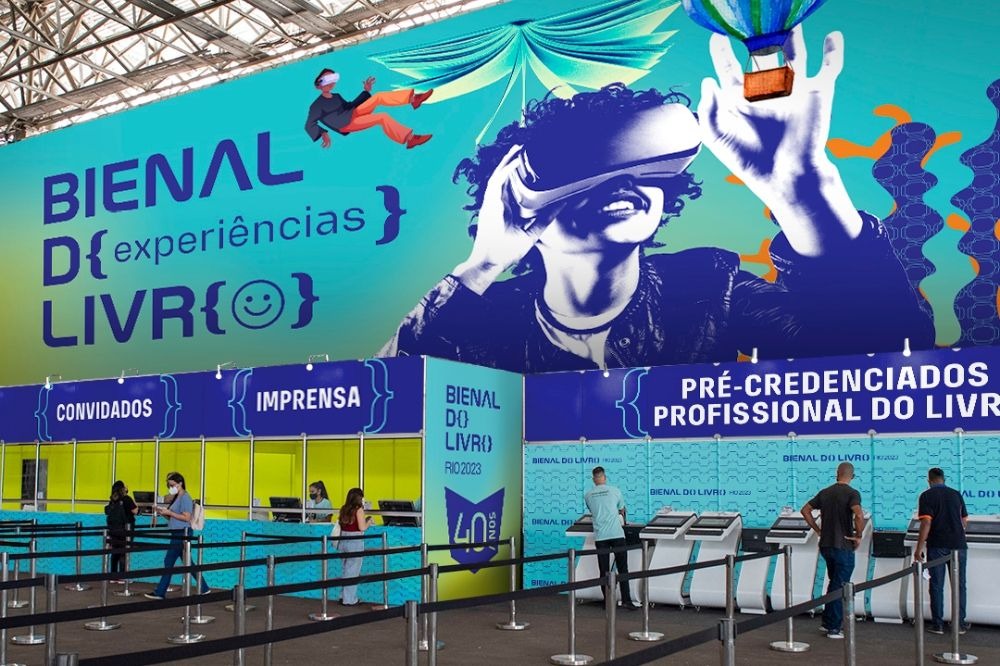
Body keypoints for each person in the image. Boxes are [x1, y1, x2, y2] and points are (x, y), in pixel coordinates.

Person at [379, 28, 934, 372]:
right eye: (590, 176)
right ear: (515, 204)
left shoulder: (708, 290)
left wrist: (805, 192)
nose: (622, 186)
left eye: (645, 170)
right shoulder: (483, 323)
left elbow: (888, 350)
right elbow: (389, 395)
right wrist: (483, 264)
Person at [801, 462, 864, 639]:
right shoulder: (852, 493)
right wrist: (858, 535)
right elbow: (859, 515)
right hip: (843, 545)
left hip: (826, 545)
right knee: (840, 586)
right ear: (852, 476)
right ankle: (834, 628)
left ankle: (827, 622)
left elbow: (805, 510)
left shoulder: (825, 492)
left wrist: (818, 530)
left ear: (837, 473)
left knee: (834, 582)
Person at [305, 68, 433, 149]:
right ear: (319, 85)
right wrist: (323, 133)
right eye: (327, 80)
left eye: (333, 79)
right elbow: (309, 124)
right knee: (382, 117)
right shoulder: (317, 105)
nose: (331, 83)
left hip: (351, 113)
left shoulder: (336, 96)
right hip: (345, 124)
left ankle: (414, 99)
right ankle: (410, 139)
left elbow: (350, 106)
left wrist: (366, 91)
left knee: (378, 96)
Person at [912, 467, 970, 635]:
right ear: (944, 479)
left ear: (929, 481)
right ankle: (959, 624)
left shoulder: (926, 496)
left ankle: (937, 624)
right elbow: (964, 521)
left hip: (937, 545)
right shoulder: (956, 494)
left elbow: (926, 523)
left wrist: (918, 548)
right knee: (959, 585)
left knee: (936, 585)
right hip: (958, 544)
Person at [144, 472, 209, 599]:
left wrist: (169, 513)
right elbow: (173, 518)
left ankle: (160, 592)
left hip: (182, 533)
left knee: (169, 561)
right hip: (177, 532)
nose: (171, 487)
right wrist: (162, 512)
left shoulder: (185, 497)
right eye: (169, 485)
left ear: (180, 483)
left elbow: (186, 517)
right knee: (188, 563)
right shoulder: (177, 497)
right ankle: (204, 587)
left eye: (173, 485)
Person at [583, 467, 639, 610]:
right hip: (617, 534)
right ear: (605, 477)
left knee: (604, 570)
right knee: (623, 568)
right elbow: (622, 509)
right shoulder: (615, 491)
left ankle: (608, 602)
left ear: (593, 479)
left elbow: (593, 511)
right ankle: (626, 600)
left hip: (600, 536)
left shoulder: (588, 495)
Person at [336, 487, 373, 606]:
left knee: (345, 569)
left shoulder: (344, 509)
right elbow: (362, 527)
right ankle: (349, 599)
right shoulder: (359, 510)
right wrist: (369, 521)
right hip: (355, 541)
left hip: (343, 540)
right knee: (352, 571)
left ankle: (343, 596)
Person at [105, 480, 138, 581]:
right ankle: (122, 577)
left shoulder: (112, 500)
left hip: (113, 530)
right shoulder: (126, 499)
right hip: (125, 530)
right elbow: (135, 511)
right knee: (124, 553)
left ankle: (113, 576)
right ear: (123, 489)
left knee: (115, 553)